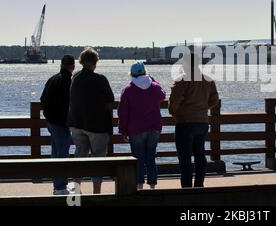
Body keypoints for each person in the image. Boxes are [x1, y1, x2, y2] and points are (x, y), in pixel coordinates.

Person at [67, 47, 115, 194]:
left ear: (81, 61)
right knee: (98, 159)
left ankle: (76, 192)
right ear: (95, 62)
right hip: (97, 125)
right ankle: (96, 193)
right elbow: (110, 99)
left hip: (76, 123)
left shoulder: (75, 77)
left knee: (79, 157)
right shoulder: (100, 79)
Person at [169, 53, 220, 188]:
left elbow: (173, 104)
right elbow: (215, 100)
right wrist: (203, 108)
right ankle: (199, 184)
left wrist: (176, 113)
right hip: (202, 122)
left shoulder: (182, 80)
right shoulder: (208, 79)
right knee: (200, 154)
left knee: (185, 158)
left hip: (185, 123)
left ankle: (186, 188)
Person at [118, 62, 166, 190]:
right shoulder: (155, 87)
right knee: (151, 156)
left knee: (138, 157)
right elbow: (163, 94)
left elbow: (123, 112)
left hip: (136, 128)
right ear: (145, 73)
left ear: (132, 74)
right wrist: (153, 79)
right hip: (154, 127)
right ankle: (152, 186)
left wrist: (123, 130)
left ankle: (139, 185)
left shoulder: (128, 90)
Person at [40, 55, 75, 195]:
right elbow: (68, 103)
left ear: (61, 65)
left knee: (55, 154)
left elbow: (42, 99)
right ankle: (60, 187)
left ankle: (57, 185)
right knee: (62, 154)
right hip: (61, 124)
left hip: (51, 122)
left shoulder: (52, 79)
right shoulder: (67, 81)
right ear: (72, 66)